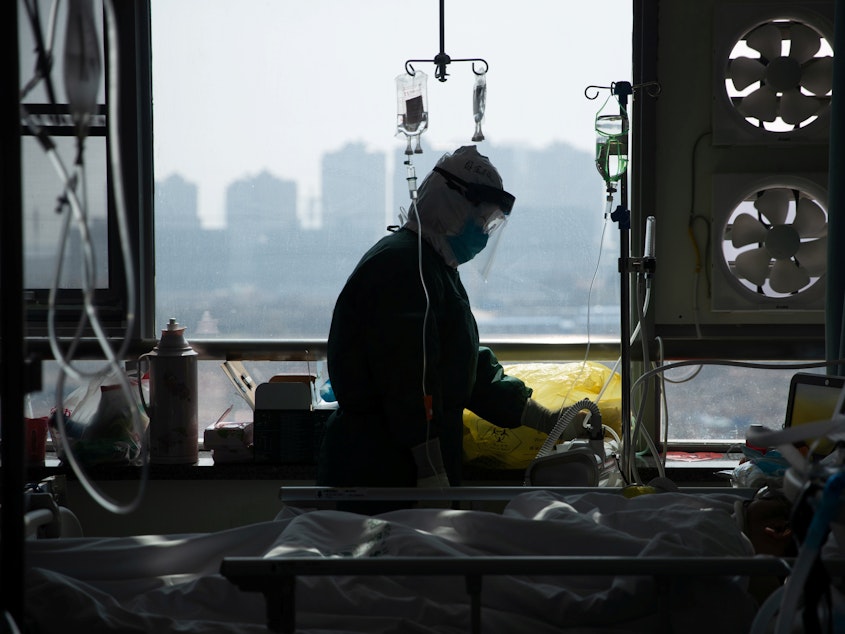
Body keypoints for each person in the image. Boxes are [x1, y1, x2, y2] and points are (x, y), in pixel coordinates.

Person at [316, 145, 563, 511]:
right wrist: (427, 463)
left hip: (410, 458)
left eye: (489, 225)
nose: (482, 233)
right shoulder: (402, 267)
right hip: (383, 464)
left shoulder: (433, 267)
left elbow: (457, 362)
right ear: (451, 207)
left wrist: (540, 416)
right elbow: (408, 377)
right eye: (481, 220)